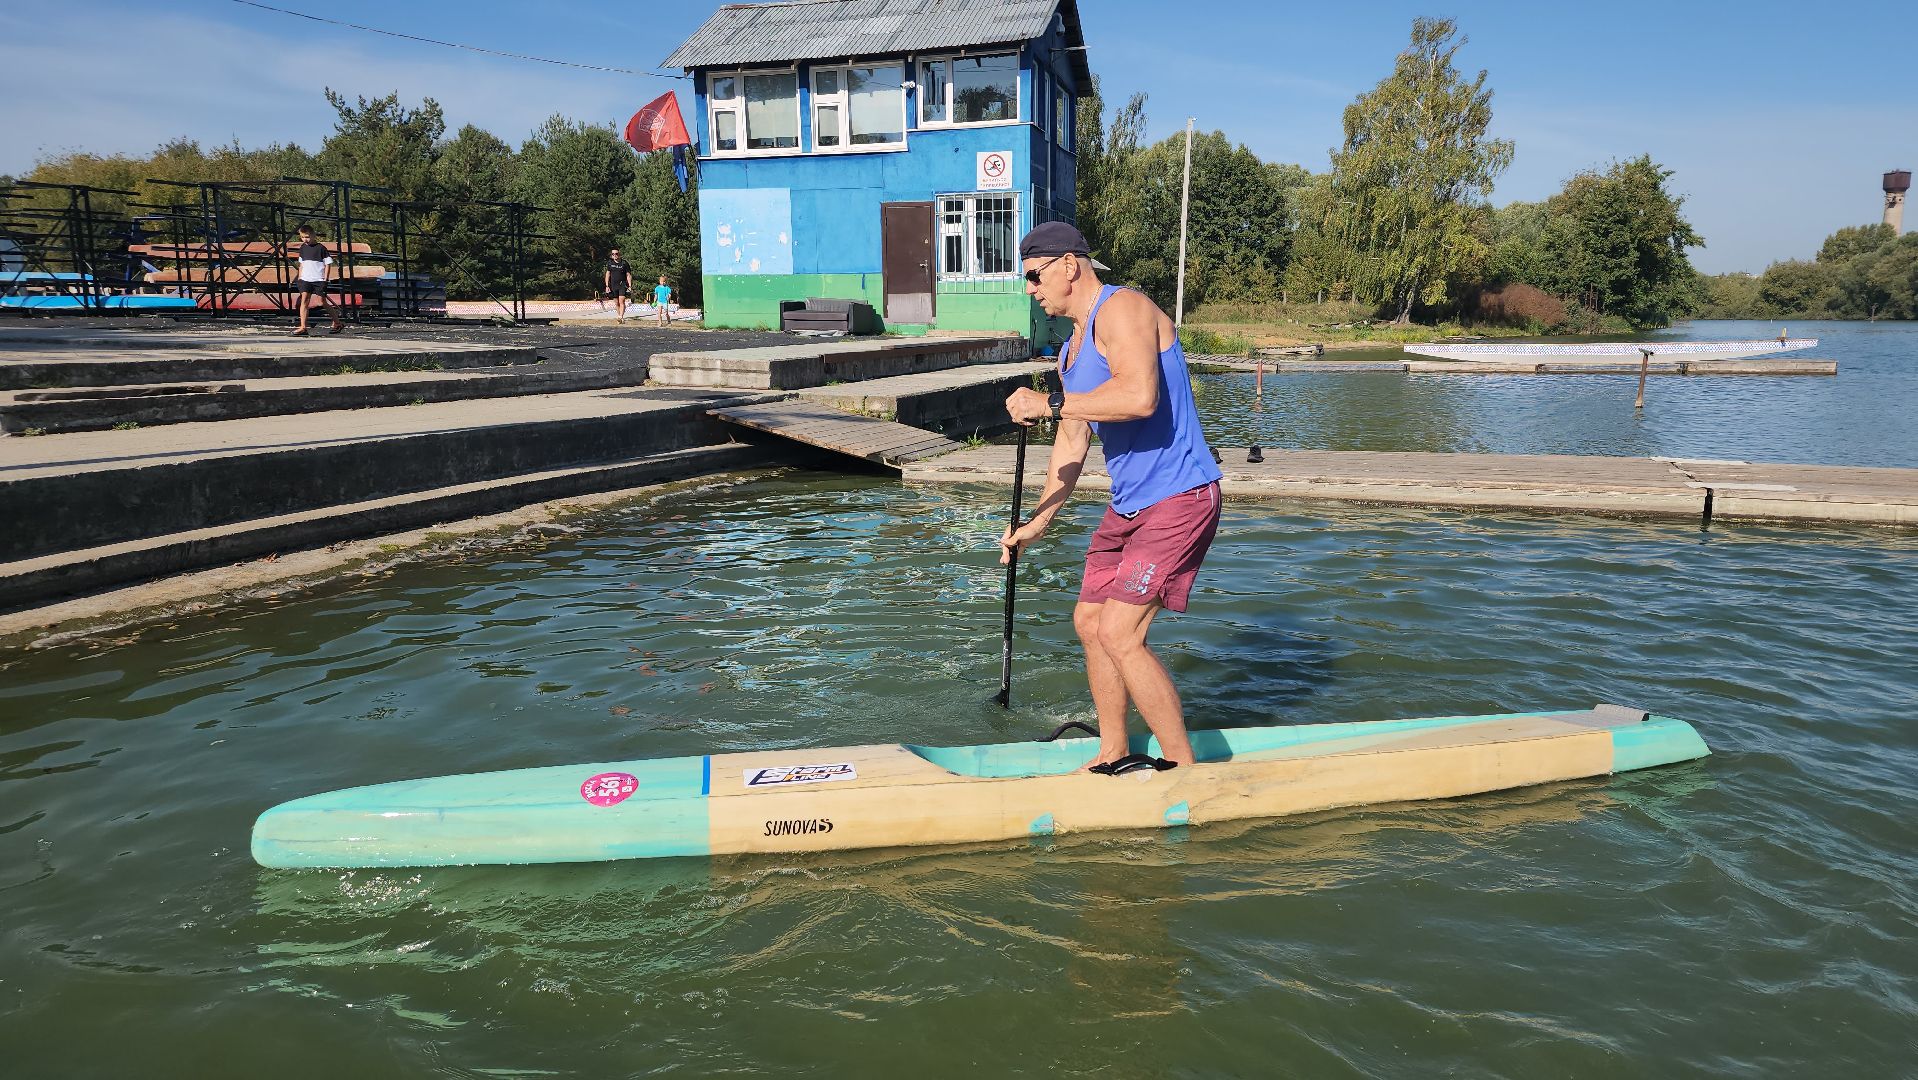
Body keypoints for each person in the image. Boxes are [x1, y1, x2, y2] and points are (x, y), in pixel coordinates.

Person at [1000, 221, 1223, 774]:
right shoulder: (1069, 351)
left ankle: (1183, 772)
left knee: (1121, 633)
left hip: (1180, 496)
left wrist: (1050, 403)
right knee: (1089, 621)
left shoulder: (1123, 309)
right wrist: (1038, 523)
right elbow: (1071, 445)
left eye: (1034, 276)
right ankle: (1113, 752)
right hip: (1128, 506)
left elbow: (1139, 395)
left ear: (1068, 266)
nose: (1031, 289)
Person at [292, 224, 344, 336]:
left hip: (318, 279)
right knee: (304, 301)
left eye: (307, 237)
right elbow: (301, 264)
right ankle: (303, 327)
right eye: (302, 237)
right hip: (305, 279)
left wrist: (325, 279)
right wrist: (300, 277)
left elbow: (328, 264)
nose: (305, 239)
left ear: (313, 235)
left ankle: (337, 322)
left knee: (322, 302)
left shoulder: (321, 248)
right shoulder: (303, 248)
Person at [603, 249, 632, 321]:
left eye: (616, 254)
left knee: (621, 301)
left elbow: (628, 275)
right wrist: (607, 286)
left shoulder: (624, 263)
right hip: (613, 285)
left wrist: (630, 286)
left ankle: (621, 316)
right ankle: (619, 315)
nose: (614, 255)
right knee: (616, 303)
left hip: (622, 284)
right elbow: (607, 274)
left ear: (619, 254)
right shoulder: (610, 263)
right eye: (613, 254)